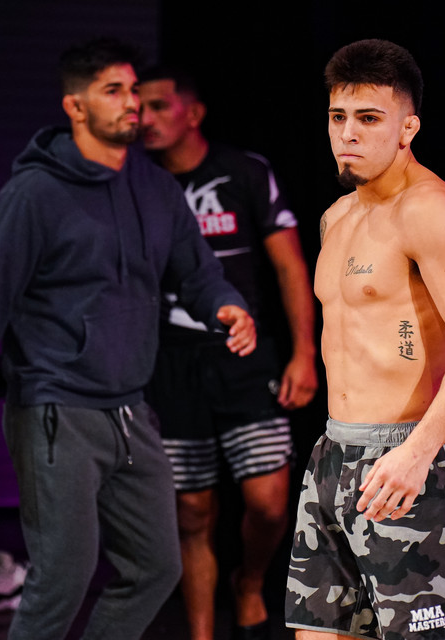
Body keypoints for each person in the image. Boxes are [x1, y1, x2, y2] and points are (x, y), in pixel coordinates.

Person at [0, 37, 257, 640]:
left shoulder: (155, 189)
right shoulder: (34, 195)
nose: (132, 103)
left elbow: (197, 273)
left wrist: (226, 306)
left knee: (156, 567)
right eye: (114, 91)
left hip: (131, 411)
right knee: (62, 576)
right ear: (76, 107)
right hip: (56, 408)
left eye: (134, 90)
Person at [284, 39, 445, 640]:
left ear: (408, 128)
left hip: (407, 458)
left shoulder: (429, 210)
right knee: (318, 634)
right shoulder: (336, 217)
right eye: (338, 117)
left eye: (368, 118)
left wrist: (418, 452)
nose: (348, 134)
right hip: (333, 454)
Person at [137, 65, 318, 640]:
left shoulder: (244, 171)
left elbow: (290, 267)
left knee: (269, 502)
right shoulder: (136, 182)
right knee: (192, 510)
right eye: (139, 107)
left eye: (159, 105)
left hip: (245, 355)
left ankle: (249, 582)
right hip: (171, 362)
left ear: (193, 112)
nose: (145, 118)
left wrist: (304, 353)